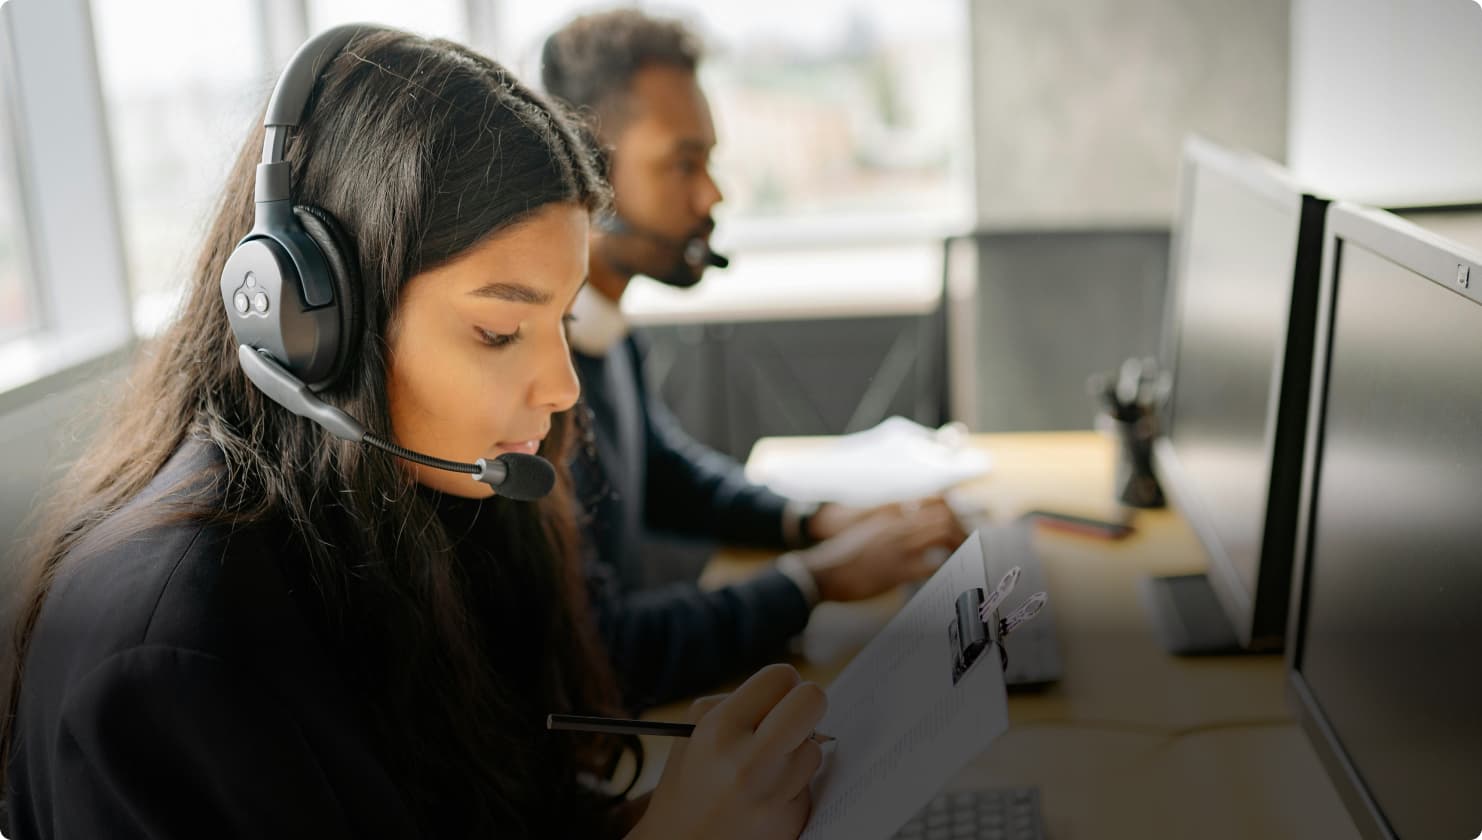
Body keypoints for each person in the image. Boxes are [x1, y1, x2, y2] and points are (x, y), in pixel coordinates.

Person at [1, 26, 827, 840]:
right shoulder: (174, 658)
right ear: (314, 322)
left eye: (563, 320)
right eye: (500, 332)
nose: (563, 386)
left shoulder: (430, 502)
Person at [541, 10, 967, 709]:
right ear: (590, 170)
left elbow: (666, 473)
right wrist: (814, 580)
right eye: (684, 163)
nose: (713, 195)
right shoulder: (544, 381)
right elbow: (604, 649)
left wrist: (813, 521)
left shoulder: (603, 325)